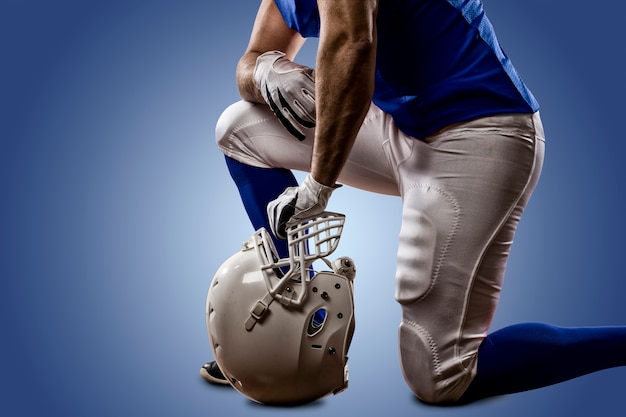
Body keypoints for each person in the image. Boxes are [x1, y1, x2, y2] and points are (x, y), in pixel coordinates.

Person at [202, 0, 626, 404]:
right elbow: (252, 56)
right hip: (399, 126)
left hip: (480, 133)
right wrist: (267, 70)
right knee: (238, 128)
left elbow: (353, 42)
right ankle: (290, 310)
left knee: (440, 374)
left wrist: (317, 186)